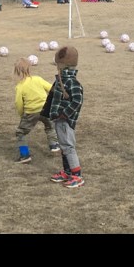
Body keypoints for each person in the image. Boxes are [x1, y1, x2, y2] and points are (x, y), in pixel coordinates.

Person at [43, 46, 85, 188]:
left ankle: (77, 175)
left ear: (63, 65)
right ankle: (67, 172)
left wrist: (64, 113)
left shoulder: (71, 82)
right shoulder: (60, 80)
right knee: (63, 146)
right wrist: (46, 112)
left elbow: (77, 101)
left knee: (68, 146)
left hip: (65, 121)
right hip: (58, 119)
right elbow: (52, 98)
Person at [12, 57, 60, 163]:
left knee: (21, 132)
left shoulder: (20, 86)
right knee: (50, 126)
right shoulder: (38, 79)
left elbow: (18, 103)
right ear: (30, 68)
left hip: (31, 112)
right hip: (45, 109)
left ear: (16, 72)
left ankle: (25, 156)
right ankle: (54, 146)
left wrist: (22, 115)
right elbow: (51, 88)